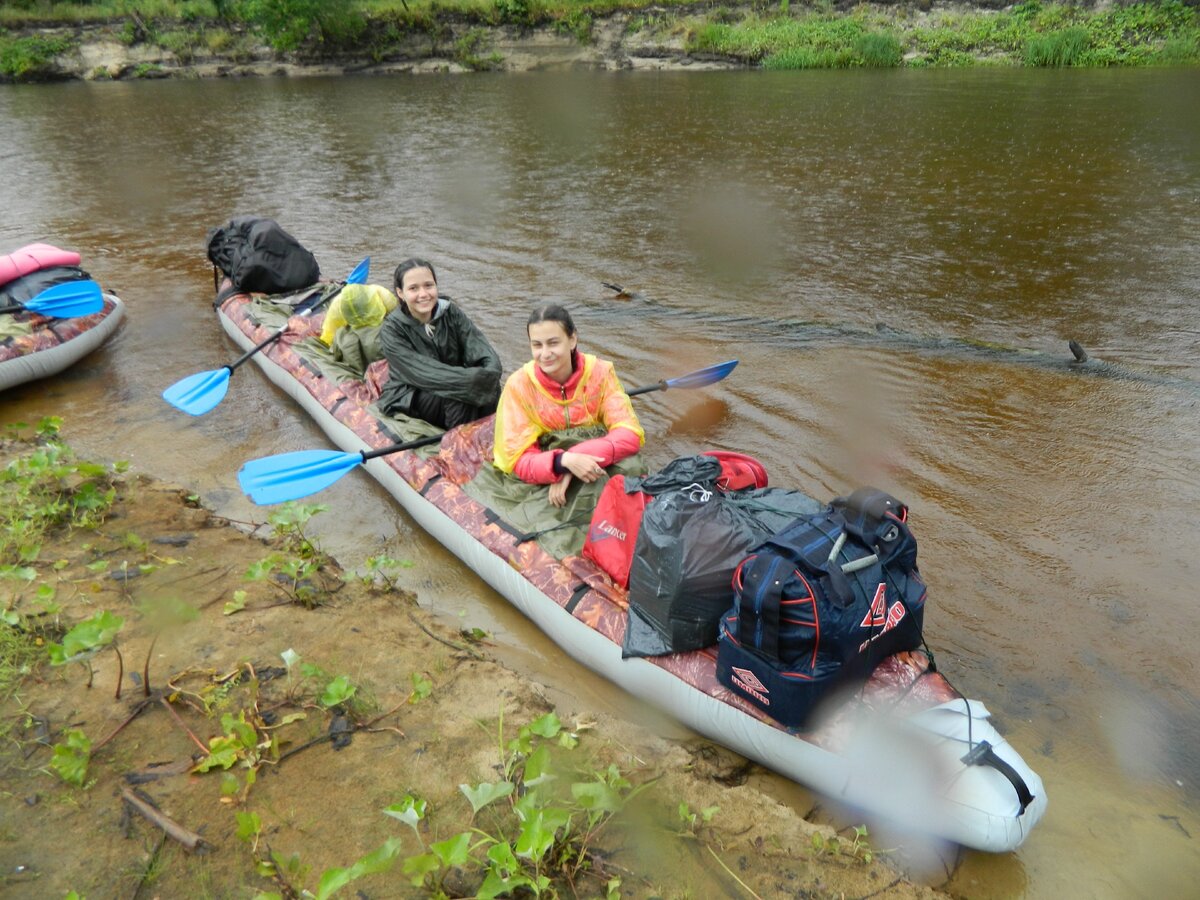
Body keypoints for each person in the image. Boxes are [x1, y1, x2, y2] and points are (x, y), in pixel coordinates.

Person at [493, 303, 644, 508]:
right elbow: (519, 460)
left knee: (632, 468)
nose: (545, 354)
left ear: (572, 339)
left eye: (553, 343)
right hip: (548, 465)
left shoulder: (600, 372)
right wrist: (562, 463)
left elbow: (629, 434)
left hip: (593, 456)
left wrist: (577, 459)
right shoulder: (518, 386)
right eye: (537, 345)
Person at [378, 259, 502, 430]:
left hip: (456, 381)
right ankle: (457, 448)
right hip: (411, 394)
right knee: (459, 396)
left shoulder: (450, 312)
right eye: (413, 288)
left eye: (428, 285)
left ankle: (488, 436)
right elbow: (424, 373)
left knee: (492, 387)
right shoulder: (392, 330)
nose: (423, 294)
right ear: (400, 293)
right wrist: (472, 379)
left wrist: (489, 373)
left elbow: (481, 348)